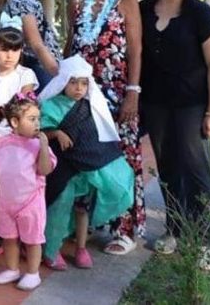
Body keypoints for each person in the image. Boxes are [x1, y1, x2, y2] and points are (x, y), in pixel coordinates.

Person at [140, 0, 210, 271]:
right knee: (167, 167)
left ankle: (208, 239)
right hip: (156, 103)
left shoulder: (200, 15)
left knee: (195, 168)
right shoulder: (146, 9)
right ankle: (174, 229)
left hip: (192, 104)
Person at [66, 0, 144, 256]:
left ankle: (125, 229)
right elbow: (71, 43)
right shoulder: (76, 0)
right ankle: (84, 225)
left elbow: (136, 48)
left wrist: (133, 92)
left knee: (122, 158)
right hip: (84, 92)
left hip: (116, 89)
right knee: (85, 156)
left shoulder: (127, 0)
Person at [38, 56, 134, 271]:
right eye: (73, 82)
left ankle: (81, 248)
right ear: (63, 81)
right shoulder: (49, 105)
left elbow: (97, 137)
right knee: (59, 207)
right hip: (62, 168)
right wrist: (56, 133)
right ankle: (51, 250)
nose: (79, 88)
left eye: (84, 83)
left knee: (82, 209)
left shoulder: (92, 106)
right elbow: (38, 131)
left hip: (87, 169)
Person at [0, 21, 38, 260]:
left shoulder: (26, 74)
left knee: (20, 189)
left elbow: (23, 107)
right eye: (4, 49)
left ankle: (22, 236)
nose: (9, 55)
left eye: (15, 49)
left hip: (19, 143)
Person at [0, 93, 56, 292]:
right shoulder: (2, 142)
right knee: (9, 237)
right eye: (32, 119)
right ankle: (12, 268)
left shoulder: (37, 145)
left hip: (31, 201)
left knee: (32, 239)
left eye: (38, 119)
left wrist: (44, 146)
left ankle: (33, 273)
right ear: (15, 122)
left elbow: (45, 169)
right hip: (6, 201)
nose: (38, 124)